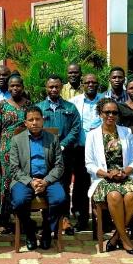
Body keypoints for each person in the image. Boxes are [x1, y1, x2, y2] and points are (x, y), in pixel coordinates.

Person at [85, 98, 133, 255]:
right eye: (107, 112)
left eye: (114, 112)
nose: (111, 115)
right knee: (115, 196)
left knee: (131, 196)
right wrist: (108, 174)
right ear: (100, 113)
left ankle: (116, 237)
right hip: (103, 178)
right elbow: (89, 164)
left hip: (126, 176)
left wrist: (125, 172)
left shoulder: (126, 132)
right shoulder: (92, 135)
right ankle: (126, 241)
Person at [10, 106, 66, 250]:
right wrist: (31, 182)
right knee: (19, 201)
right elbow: (14, 168)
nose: (34, 122)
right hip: (25, 179)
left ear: (43, 120)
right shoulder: (17, 140)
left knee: (60, 199)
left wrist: (46, 181)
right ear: (25, 123)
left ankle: (47, 231)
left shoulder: (53, 139)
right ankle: (29, 231)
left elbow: (59, 166)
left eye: (37, 119)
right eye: (31, 120)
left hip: (48, 178)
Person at [36, 75, 81, 235]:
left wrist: (63, 144)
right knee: (46, 186)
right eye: (51, 87)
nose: (54, 89)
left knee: (64, 185)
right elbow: (34, 129)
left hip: (65, 154)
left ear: (61, 87)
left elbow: (76, 128)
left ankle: (64, 219)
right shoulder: (39, 108)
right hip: (44, 155)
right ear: (46, 88)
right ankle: (48, 220)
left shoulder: (70, 108)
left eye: (56, 86)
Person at [0, 74, 32, 233]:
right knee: (6, 183)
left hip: (24, 150)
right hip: (5, 150)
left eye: (18, 85)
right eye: (12, 86)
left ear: (22, 87)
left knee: (21, 180)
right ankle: (6, 220)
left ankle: (21, 218)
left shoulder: (29, 106)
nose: (15, 88)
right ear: (8, 88)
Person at [70, 74, 103, 231]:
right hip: (80, 149)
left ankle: (102, 221)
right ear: (82, 84)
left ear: (98, 85)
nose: (90, 84)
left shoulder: (105, 101)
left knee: (100, 182)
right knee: (82, 185)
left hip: (101, 150)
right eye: (87, 82)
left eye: (93, 82)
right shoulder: (74, 102)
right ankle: (82, 219)